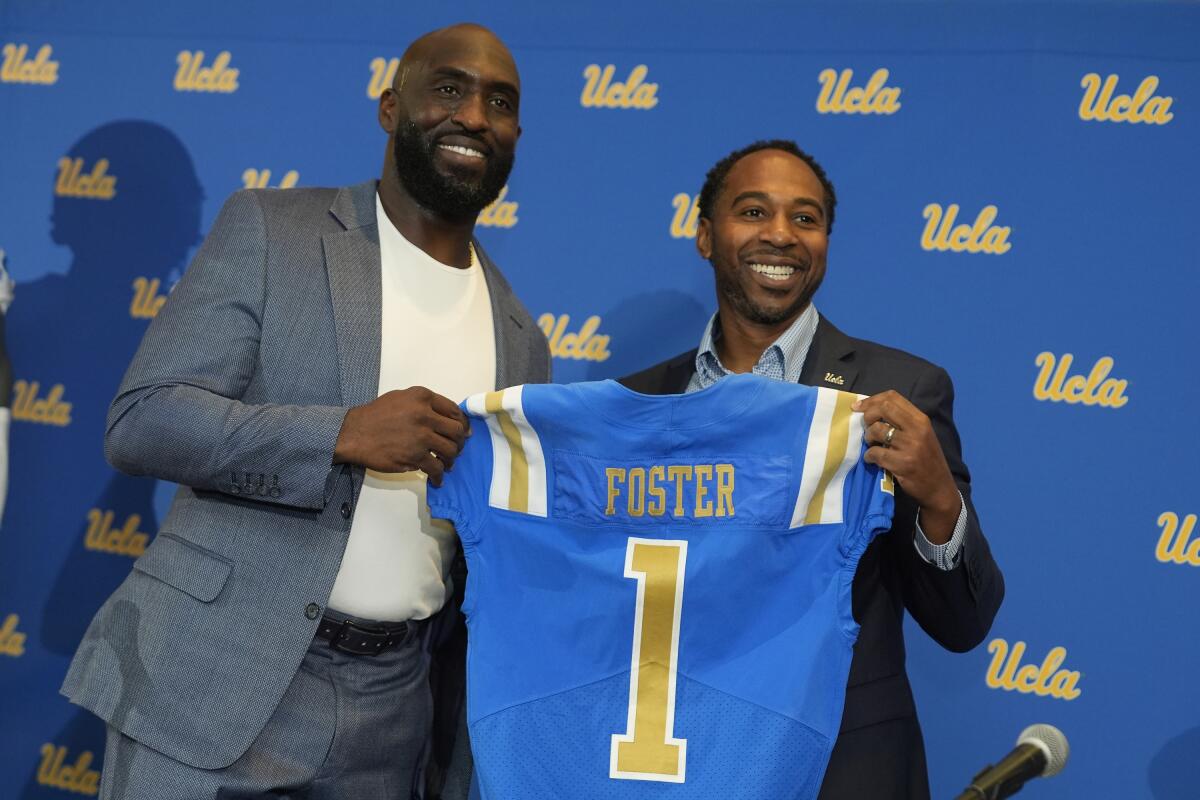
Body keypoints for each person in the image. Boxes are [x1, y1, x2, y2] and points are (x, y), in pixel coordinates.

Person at [61, 23, 549, 800]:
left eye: (501, 102)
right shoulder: (272, 229)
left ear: (517, 133)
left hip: (390, 718)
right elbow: (142, 420)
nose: (476, 116)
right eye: (450, 89)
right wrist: (343, 434)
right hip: (210, 680)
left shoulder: (523, 340)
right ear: (392, 108)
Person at [620, 140, 1004, 800]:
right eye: (752, 212)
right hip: (678, 758)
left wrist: (938, 496)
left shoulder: (898, 390)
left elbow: (962, 625)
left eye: (806, 218)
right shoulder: (636, 404)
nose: (781, 236)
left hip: (843, 769)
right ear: (705, 235)